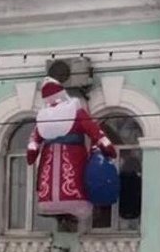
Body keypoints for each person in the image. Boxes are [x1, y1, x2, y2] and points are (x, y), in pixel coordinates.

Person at [26, 77, 116, 220]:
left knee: (71, 182)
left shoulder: (74, 112)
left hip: (71, 156)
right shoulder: (45, 117)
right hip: (58, 157)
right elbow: (35, 136)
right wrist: (33, 147)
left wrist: (103, 142)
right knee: (59, 183)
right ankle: (59, 209)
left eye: (55, 100)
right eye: (50, 101)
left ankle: (67, 209)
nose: (54, 104)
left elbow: (92, 128)